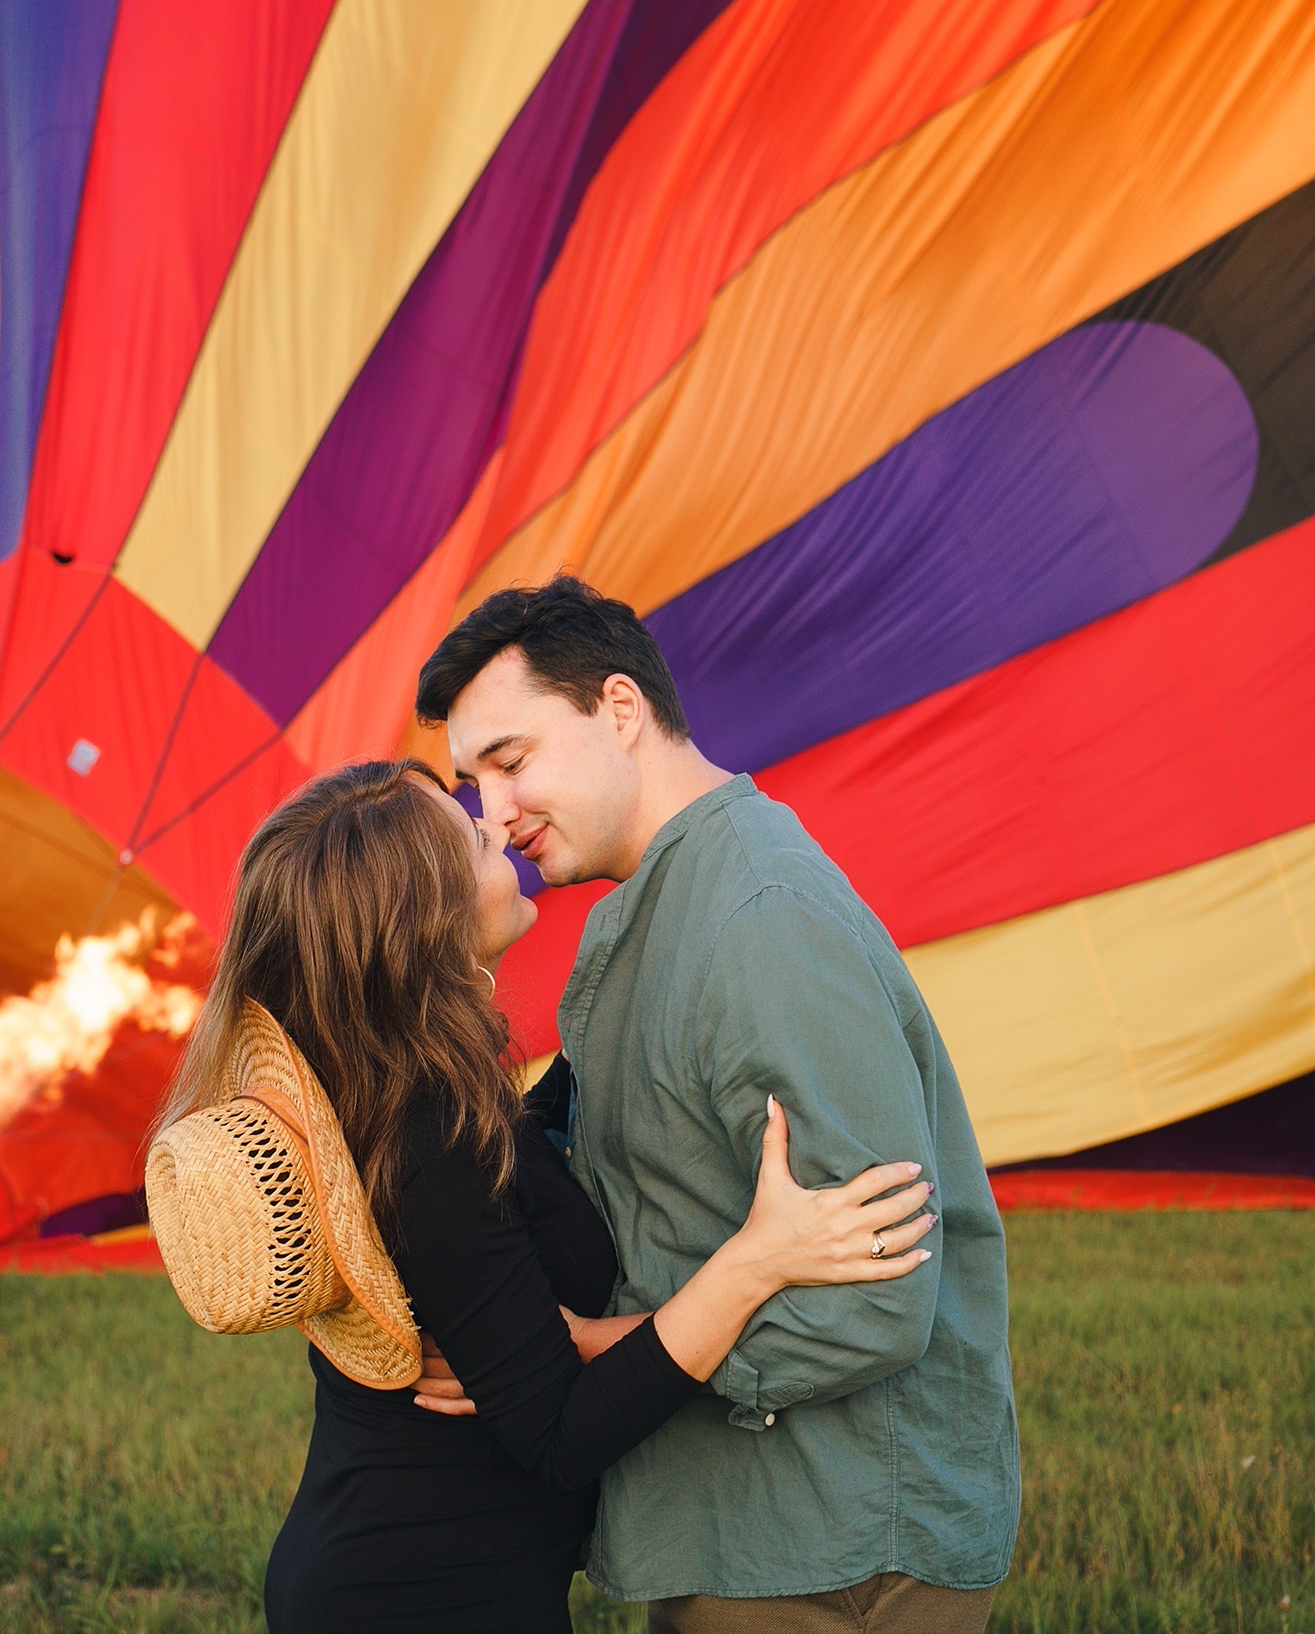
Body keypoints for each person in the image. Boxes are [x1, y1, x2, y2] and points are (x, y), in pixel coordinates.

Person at [155, 759, 941, 1633]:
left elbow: (515, 1171)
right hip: (420, 1597)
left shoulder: (394, 1087)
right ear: (426, 922)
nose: (501, 831)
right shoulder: (428, 1136)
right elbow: (561, 1437)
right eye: (476, 843)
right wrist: (755, 1260)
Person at [411, 576, 1020, 1632]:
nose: (492, 811)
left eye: (509, 762)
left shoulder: (760, 919)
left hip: (827, 1543)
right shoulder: (633, 917)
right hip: (738, 1524)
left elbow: (875, 1300)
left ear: (619, 709)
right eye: (471, 781)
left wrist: (599, 1345)